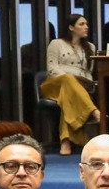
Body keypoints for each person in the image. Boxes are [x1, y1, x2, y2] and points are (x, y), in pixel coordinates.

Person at [40, 14, 100, 155]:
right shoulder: (56, 43)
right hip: (53, 85)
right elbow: (52, 69)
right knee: (68, 80)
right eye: (82, 24)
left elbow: (88, 72)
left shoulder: (90, 47)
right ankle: (93, 111)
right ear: (71, 27)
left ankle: (65, 142)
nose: (86, 27)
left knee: (68, 99)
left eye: (86, 24)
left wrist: (83, 84)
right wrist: (71, 80)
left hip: (76, 88)